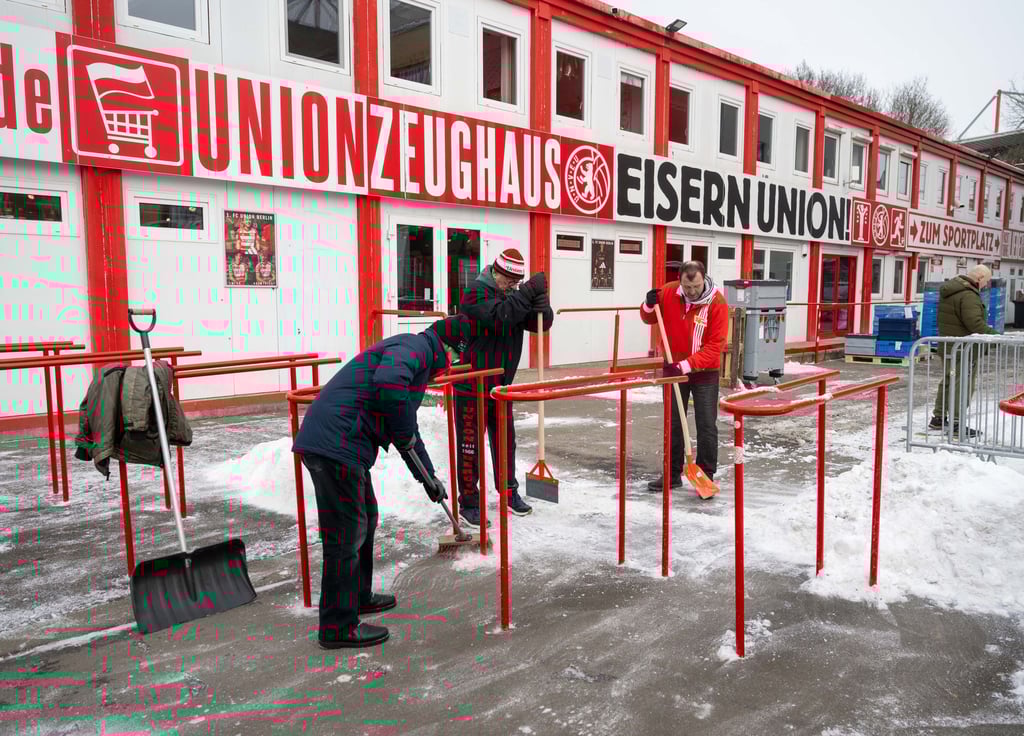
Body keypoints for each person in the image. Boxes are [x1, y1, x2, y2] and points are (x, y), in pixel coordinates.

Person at [292, 316, 465, 649]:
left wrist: (427, 477)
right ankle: (337, 626)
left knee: (366, 518)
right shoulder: (415, 348)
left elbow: (406, 431)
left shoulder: (416, 355)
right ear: (446, 350)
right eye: (454, 359)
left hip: (343, 444)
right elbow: (389, 387)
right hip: (334, 444)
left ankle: (358, 596)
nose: (450, 367)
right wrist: (402, 430)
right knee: (346, 533)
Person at [455, 248, 554, 527]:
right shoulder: (476, 293)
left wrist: (542, 304)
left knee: (505, 443)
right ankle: (469, 502)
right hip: (471, 385)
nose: (512, 287)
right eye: (509, 281)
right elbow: (500, 317)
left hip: (501, 386)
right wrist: (526, 294)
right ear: (496, 273)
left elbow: (540, 325)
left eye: (517, 283)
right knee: (469, 447)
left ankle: (509, 492)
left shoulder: (513, 297)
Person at [640, 260, 728, 493]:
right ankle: (671, 473)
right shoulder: (669, 292)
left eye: (696, 287)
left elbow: (714, 347)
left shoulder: (717, 302)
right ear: (680, 281)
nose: (691, 292)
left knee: (706, 424)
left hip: (704, 372)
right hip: (673, 367)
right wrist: (648, 305)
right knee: (673, 423)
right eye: (687, 287)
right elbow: (648, 318)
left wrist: (686, 365)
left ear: (704, 279)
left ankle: (706, 475)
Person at [930, 264, 997, 436]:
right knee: (963, 384)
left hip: (949, 345)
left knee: (949, 380)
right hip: (963, 349)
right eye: (987, 282)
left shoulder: (952, 290)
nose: (986, 285)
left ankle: (938, 417)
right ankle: (957, 423)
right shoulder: (968, 296)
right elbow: (974, 323)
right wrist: (994, 337)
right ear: (980, 278)